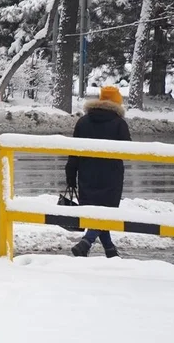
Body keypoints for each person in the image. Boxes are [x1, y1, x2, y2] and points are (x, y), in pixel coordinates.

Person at [65, 85, 132, 258]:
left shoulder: (83, 121)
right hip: (111, 176)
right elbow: (129, 149)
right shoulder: (119, 123)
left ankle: (110, 250)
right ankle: (86, 242)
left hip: (86, 174)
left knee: (95, 212)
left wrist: (71, 173)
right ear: (117, 102)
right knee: (105, 213)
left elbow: (74, 151)